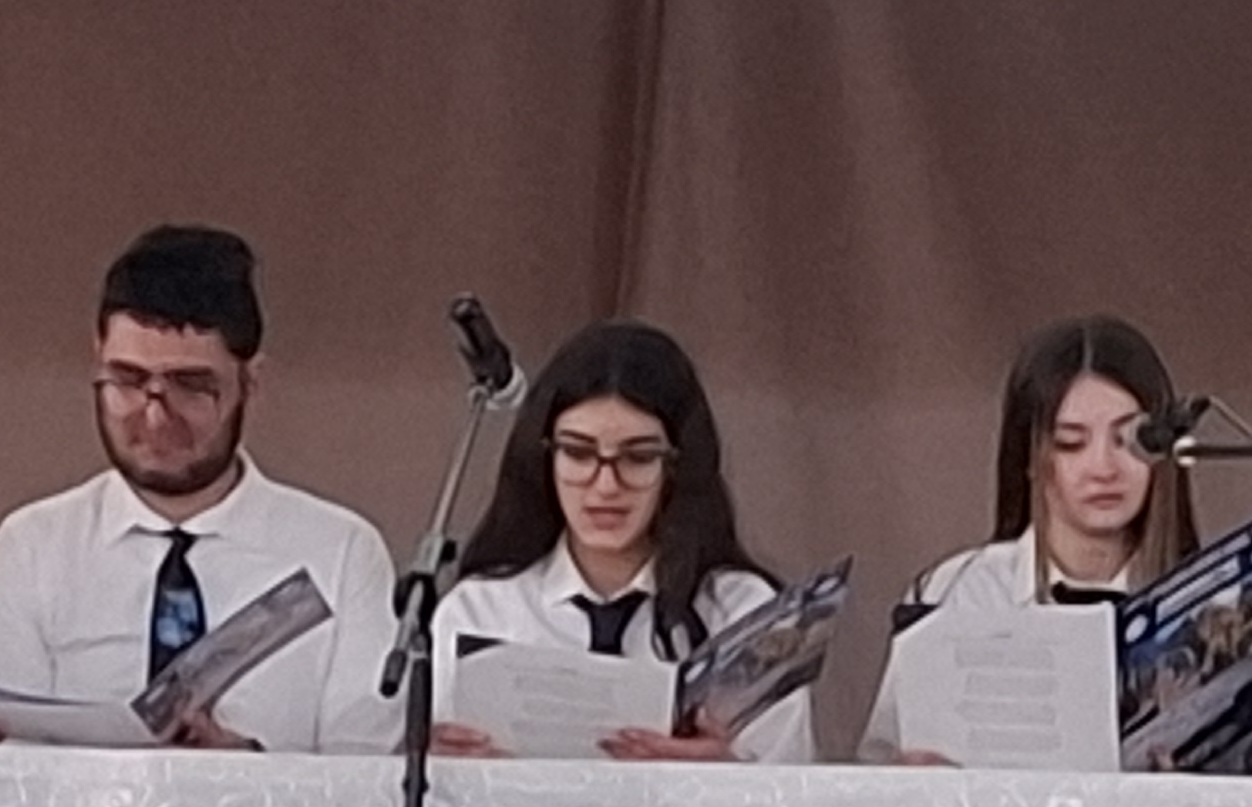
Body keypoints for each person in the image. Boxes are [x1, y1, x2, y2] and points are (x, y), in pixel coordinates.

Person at [0, 226, 394, 753]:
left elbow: (367, 772)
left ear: (251, 383)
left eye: (191, 387)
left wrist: (244, 764)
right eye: (126, 380)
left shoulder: (339, 552)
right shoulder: (32, 547)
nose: (154, 416)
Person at [417, 320, 811, 764]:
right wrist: (445, 766)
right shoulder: (482, 611)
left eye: (639, 457)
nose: (606, 485)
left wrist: (721, 775)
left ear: (678, 465)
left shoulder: (745, 613)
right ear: (544, 457)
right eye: (578, 453)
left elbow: (797, 792)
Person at [861, 315, 1201, 763]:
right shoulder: (959, 592)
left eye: (1130, 440)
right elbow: (880, 769)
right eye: (1071, 443)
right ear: (1028, 456)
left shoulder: (1204, 601)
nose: (1104, 467)